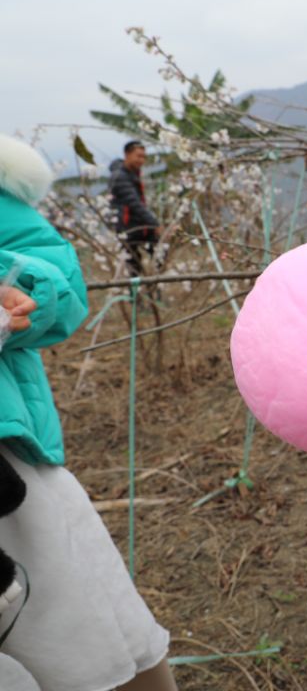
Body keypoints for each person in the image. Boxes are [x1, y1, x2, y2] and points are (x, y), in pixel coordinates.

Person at [0, 134, 177, 690]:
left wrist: (21, 284)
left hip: (10, 465)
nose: (142, 162)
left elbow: (60, 281)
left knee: (79, 626)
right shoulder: (121, 177)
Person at [108, 140, 160, 276]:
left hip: (141, 226)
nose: (141, 160)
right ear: (127, 154)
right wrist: (155, 224)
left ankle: (154, 289)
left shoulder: (132, 174)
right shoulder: (120, 177)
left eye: (144, 157)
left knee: (159, 255)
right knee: (134, 268)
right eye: (138, 156)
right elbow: (134, 204)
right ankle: (138, 295)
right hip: (128, 229)